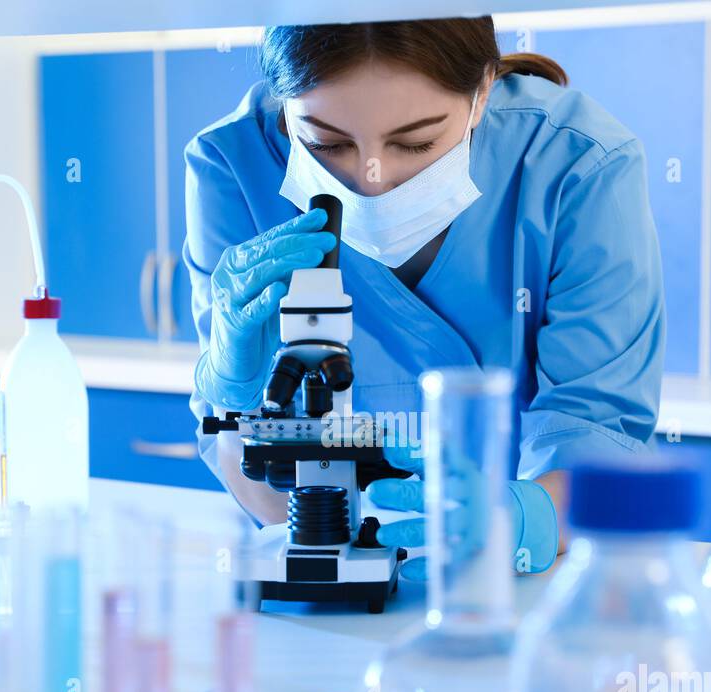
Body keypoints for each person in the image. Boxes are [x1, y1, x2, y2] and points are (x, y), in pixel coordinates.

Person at [185, 16, 665, 576]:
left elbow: (600, 444)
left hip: (524, 583)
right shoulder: (232, 167)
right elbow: (262, 489)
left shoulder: (578, 163)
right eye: (326, 144)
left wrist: (518, 519)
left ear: (482, 91)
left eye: (415, 141)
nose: (372, 178)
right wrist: (236, 400)